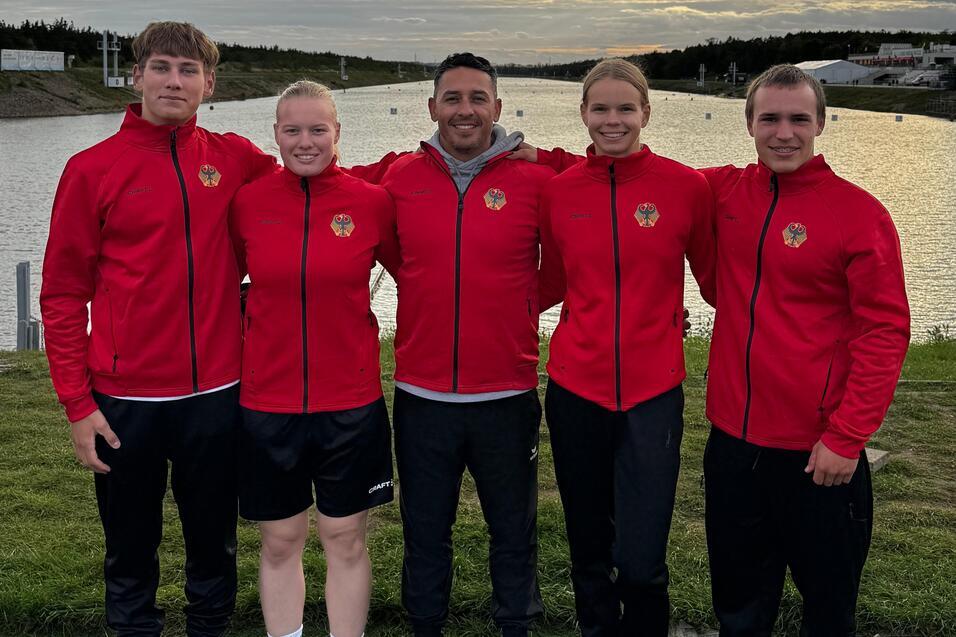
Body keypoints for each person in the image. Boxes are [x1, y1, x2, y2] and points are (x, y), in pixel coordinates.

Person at [40, 21, 276, 637]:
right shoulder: (91, 169)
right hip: (124, 403)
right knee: (128, 549)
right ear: (137, 74)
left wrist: (463, 156)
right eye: (163, 67)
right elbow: (64, 294)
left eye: (189, 70)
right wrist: (76, 405)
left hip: (217, 394)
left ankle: (210, 627)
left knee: (214, 544)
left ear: (209, 83)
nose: (175, 80)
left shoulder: (235, 159)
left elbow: (319, 180)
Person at [700, 64, 910, 635]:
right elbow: (639, 178)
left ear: (820, 123)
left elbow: (885, 333)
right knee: (740, 606)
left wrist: (846, 439)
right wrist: (531, 158)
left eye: (798, 118)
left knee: (828, 607)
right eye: (769, 118)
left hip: (820, 456)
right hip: (735, 447)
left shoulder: (858, 214)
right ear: (749, 124)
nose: (783, 132)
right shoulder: (725, 191)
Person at [370, 52, 554, 637]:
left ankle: (516, 625)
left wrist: (525, 303)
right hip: (422, 394)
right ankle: (425, 624)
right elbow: (325, 181)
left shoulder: (537, 181)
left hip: (506, 391)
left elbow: (573, 253)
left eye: (478, 98)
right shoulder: (400, 176)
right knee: (425, 530)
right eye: (453, 98)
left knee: (513, 529)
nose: (466, 110)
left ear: (498, 107)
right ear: (432, 108)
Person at [536, 58, 716, 636]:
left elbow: (718, 282)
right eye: (600, 109)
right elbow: (551, 281)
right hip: (574, 389)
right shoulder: (559, 192)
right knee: (588, 549)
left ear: (646, 112)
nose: (612, 121)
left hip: (652, 393)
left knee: (641, 561)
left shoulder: (686, 187)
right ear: (584, 113)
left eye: (625, 108)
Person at [229, 80, 399, 637]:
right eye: (293, 130)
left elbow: (419, 280)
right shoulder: (248, 203)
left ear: (337, 134)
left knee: (344, 537)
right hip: (267, 404)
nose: (306, 141)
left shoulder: (371, 203)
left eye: (318, 129)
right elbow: (218, 286)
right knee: (280, 540)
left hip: (349, 405)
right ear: (275, 134)